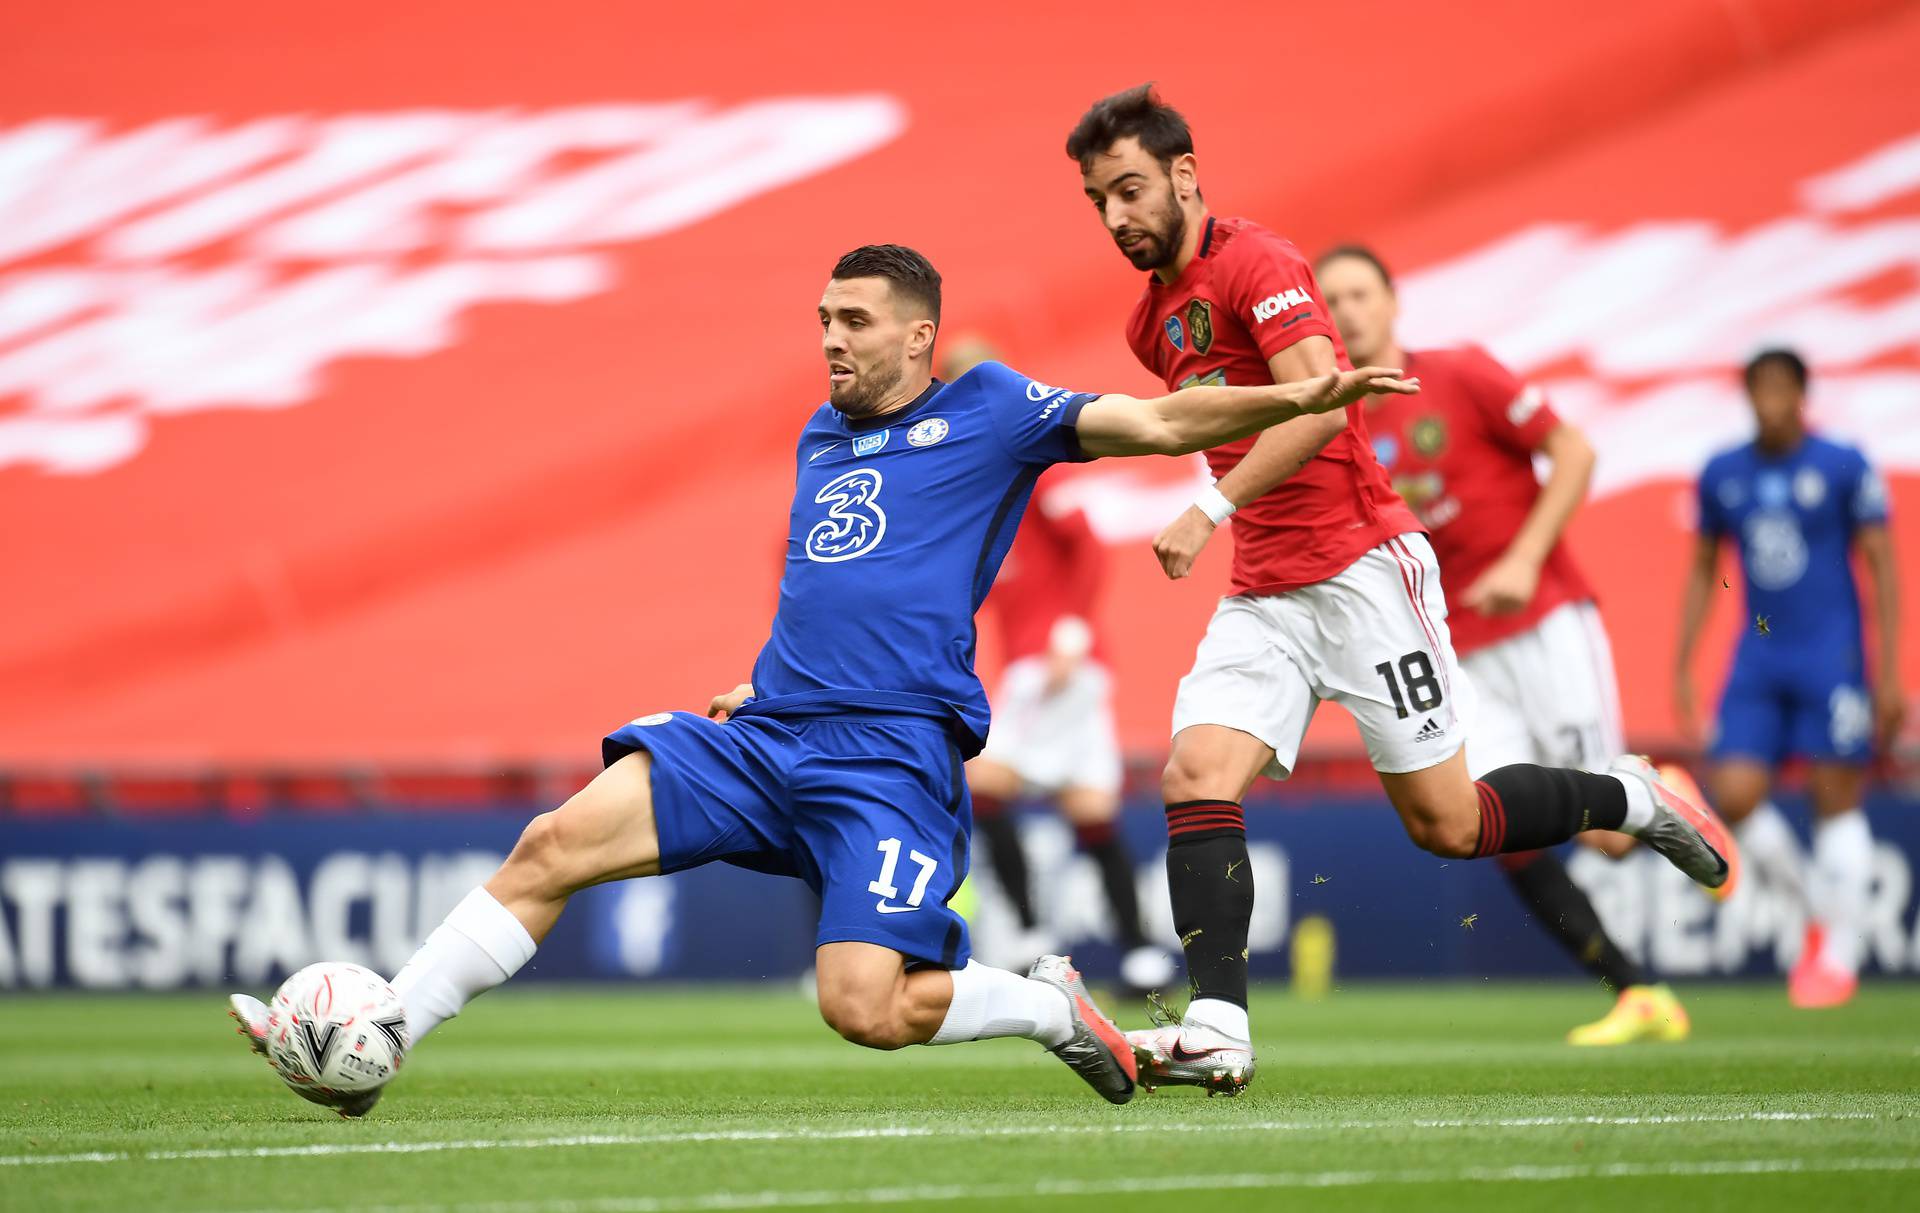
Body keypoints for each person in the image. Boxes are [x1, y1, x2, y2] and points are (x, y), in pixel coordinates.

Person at [227, 243, 1421, 1114]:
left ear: (917, 335)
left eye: (855, 319)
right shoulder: (819, 436)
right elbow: (837, 588)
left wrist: (1296, 394)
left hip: (889, 761)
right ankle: (384, 1034)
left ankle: (1057, 1009)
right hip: (770, 729)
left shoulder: (995, 410)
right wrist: (764, 684)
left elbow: (1161, 425)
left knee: (865, 1007)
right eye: (822, 319)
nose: (833, 339)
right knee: (553, 843)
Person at [1064, 84, 1738, 1095]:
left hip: (1363, 570)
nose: (1117, 217)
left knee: (1449, 825)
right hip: (1267, 590)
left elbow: (1322, 411)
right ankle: (1218, 1024)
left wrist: (1210, 509)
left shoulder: (1261, 262)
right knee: (1193, 774)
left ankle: (1631, 795)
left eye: (1129, 190)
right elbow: (1205, 426)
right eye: (1098, 201)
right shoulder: (1148, 323)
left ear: (1185, 176)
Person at [1317, 244, 1689, 1045]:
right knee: (1481, 817)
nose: (1346, 309)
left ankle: (1662, 793)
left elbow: (1576, 451)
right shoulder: (1334, 418)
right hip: (1455, 649)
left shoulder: (1461, 374)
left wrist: (1523, 558)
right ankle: (1635, 990)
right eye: (1331, 297)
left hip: (1543, 619)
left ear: (1392, 301)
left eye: (1359, 292)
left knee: (1606, 839)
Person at [1677, 348, 1904, 1008]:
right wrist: (1682, 660)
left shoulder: (1843, 464)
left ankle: (1838, 954)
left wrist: (1890, 672)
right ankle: (1812, 911)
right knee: (1736, 790)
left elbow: (1884, 565)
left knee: (1836, 793)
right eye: (1759, 386)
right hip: (1760, 653)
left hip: (1832, 654)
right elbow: (1701, 568)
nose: (1770, 397)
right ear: (1747, 395)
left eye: (1782, 386)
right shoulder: (1723, 472)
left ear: (1804, 394)